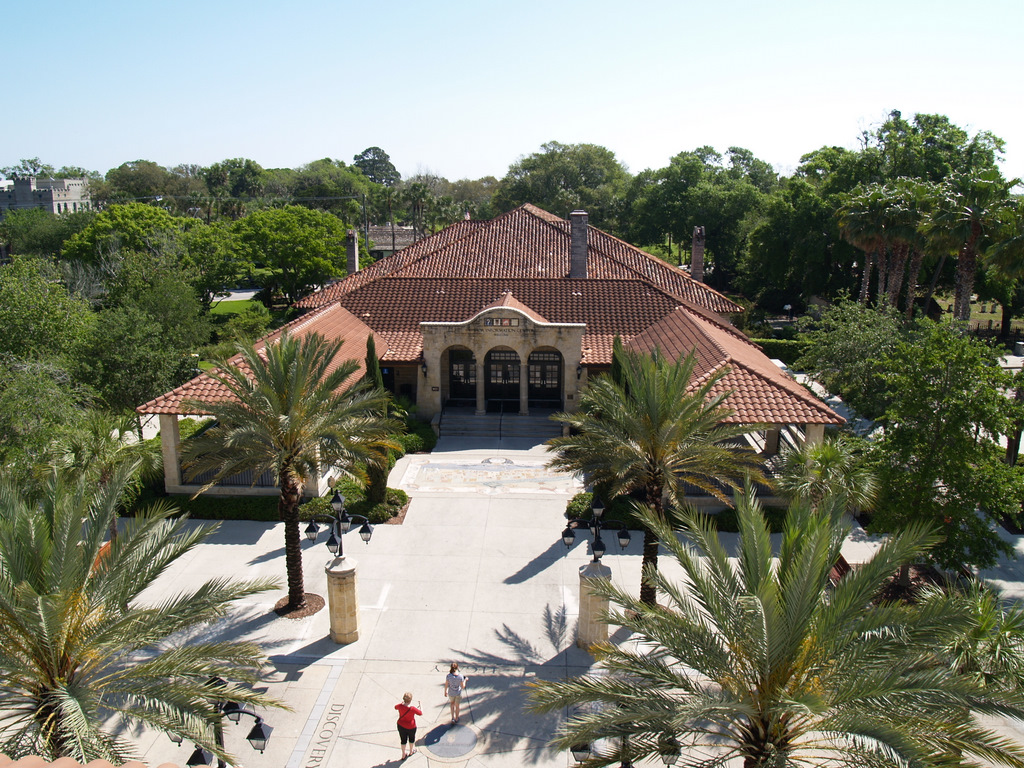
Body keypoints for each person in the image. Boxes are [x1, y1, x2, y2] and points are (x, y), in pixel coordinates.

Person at [395, 692, 422, 759]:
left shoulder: (400, 706)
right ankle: (411, 751)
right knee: (411, 739)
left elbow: (395, 707)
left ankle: (403, 754)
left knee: (403, 740)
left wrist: (401, 703)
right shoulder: (412, 708)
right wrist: (420, 706)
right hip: (411, 727)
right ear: (410, 700)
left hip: (401, 725)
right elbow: (420, 713)